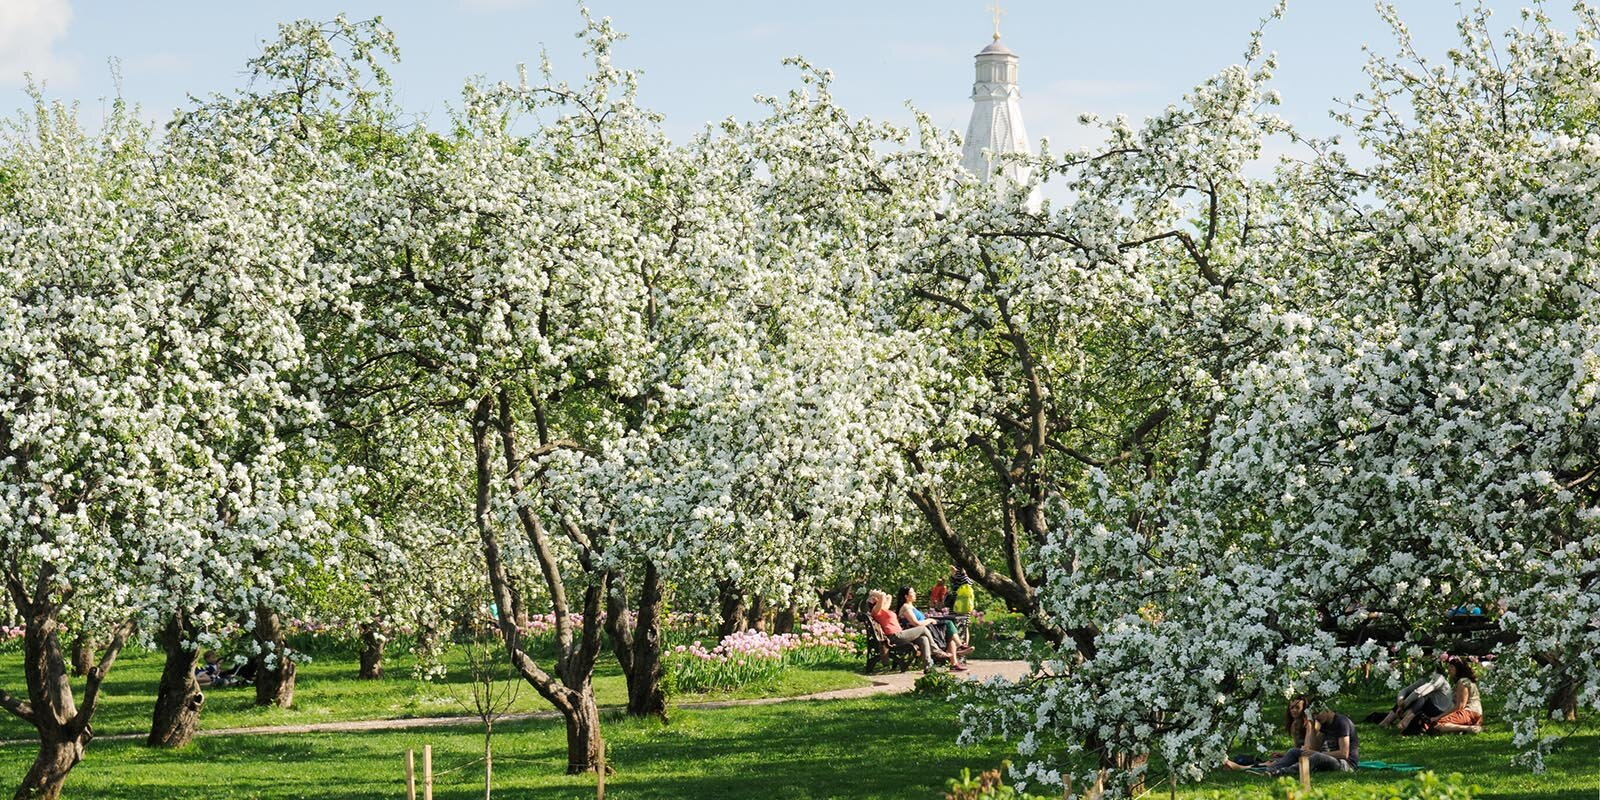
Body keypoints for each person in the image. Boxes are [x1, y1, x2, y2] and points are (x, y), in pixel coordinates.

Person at [1261, 704, 1359, 776]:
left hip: (1346, 764)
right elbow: (1314, 747)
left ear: (1326, 709)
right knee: (1294, 751)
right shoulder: (1325, 723)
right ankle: (1270, 769)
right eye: (1313, 715)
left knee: (1317, 756)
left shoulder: (1341, 723)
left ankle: (1282, 772)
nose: (1316, 717)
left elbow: (1344, 754)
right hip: (1333, 760)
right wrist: (1311, 726)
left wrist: (1316, 753)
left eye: (1317, 714)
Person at [866, 589, 944, 673]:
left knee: (923, 638)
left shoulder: (883, 610)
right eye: (875, 599)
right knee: (922, 629)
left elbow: (889, 597)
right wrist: (873, 593)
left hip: (899, 635)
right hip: (894, 636)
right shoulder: (875, 611)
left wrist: (882, 595)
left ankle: (928, 667)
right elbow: (882, 597)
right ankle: (936, 650)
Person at [895, 586, 968, 671]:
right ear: (906, 596)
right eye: (912, 592)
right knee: (948, 623)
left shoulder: (911, 607)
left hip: (926, 630)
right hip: (920, 632)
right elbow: (916, 623)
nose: (915, 594)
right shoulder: (906, 607)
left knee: (949, 633)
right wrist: (929, 620)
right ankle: (960, 646)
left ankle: (954, 664)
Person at [1381, 669, 1453, 733]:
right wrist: (1400, 700)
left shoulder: (1439, 679)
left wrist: (1403, 706)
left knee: (1421, 698)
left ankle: (1405, 721)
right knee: (1410, 696)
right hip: (1427, 707)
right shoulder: (1425, 679)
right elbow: (1405, 690)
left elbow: (1419, 692)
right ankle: (1386, 721)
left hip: (1439, 710)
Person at [1431, 660, 1484, 734]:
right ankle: (1464, 728)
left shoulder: (1462, 681)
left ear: (1459, 668)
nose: (1449, 669)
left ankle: (1470, 728)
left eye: (1452, 666)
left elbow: (1460, 706)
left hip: (1470, 712)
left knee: (1437, 725)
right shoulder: (1464, 681)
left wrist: (1438, 717)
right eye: (1449, 666)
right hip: (1476, 714)